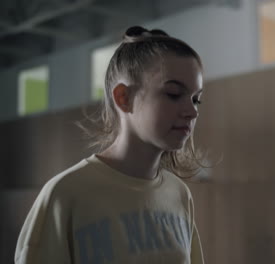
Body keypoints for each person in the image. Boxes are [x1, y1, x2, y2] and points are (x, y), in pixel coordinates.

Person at [15, 26, 205, 264]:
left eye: (196, 99)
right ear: (123, 98)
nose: (192, 111)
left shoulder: (179, 195)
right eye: (174, 94)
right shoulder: (64, 195)